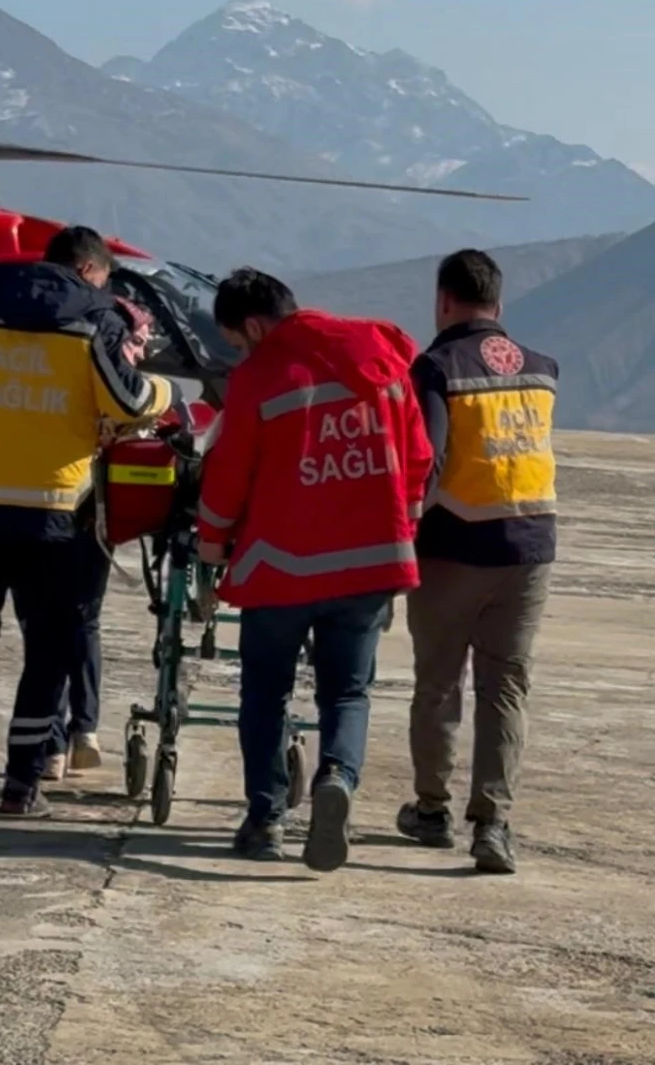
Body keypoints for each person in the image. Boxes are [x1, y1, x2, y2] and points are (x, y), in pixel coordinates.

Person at [0, 226, 180, 816]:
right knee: (50, 642)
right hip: (56, 509)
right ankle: (22, 783)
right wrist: (165, 392)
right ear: (92, 271)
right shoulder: (94, 315)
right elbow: (125, 403)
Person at [196, 269, 432, 872]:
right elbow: (418, 459)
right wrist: (399, 530)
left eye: (236, 341)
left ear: (253, 326)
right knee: (348, 692)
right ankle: (337, 779)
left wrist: (213, 543)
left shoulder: (260, 377)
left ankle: (266, 818)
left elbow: (228, 474)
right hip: (370, 564)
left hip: (280, 567)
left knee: (266, 693)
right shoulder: (383, 360)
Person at [396, 250, 558, 875]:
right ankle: (493, 825)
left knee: (438, 684)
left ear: (443, 301)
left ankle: (432, 812)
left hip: (455, 546)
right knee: (505, 687)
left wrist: (399, 532)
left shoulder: (436, 367)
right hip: (533, 548)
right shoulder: (543, 370)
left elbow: (426, 461)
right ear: (498, 302)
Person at [41, 294, 156, 782]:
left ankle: (51, 745)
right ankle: (83, 729)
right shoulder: (123, 385)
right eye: (138, 341)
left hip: (43, 505)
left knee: (45, 625)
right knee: (83, 621)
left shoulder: (58, 368)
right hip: (91, 514)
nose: (142, 353)